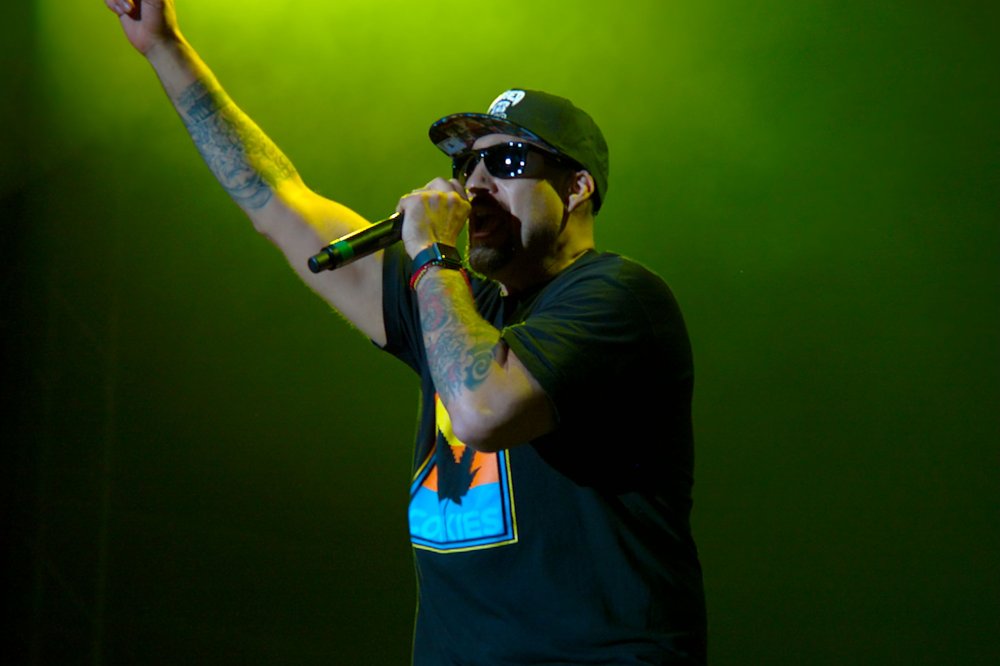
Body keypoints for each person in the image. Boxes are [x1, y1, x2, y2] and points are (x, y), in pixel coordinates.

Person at [105, 1, 708, 663]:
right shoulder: (454, 299)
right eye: (466, 166)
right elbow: (277, 203)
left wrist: (434, 255)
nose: (475, 183)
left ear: (577, 187)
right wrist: (164, 48)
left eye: (507, 161)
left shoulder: (618, 298)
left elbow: (483, 411)